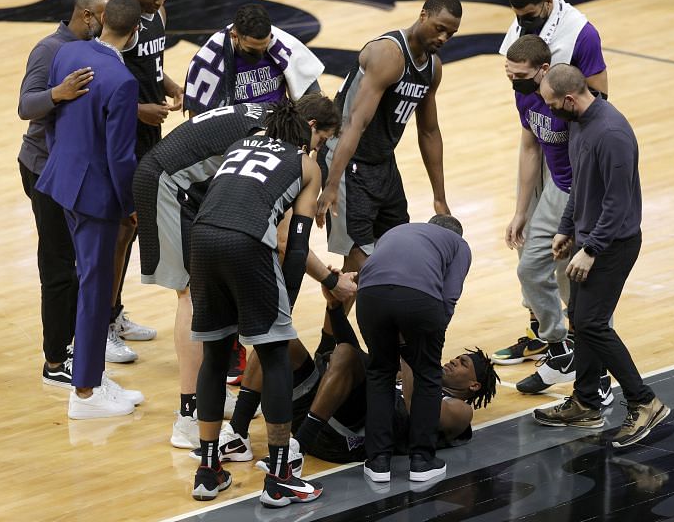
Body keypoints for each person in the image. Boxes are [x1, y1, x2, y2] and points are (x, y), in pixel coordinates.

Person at [132, 94, 355, 449]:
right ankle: (188, 416)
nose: (318, 150)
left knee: (213, 289)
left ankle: (209, 402)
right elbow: (285, 241)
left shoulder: (273, 119)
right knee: (192, 293)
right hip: (170, 184)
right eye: (322, 141)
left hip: (184, 184)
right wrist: (328, 280)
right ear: (311, 127)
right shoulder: (279, 143)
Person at [188, 102, 328, 506]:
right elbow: (296, 243)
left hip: (202, 238)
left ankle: (208, 470)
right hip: (246, 242)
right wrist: (285, 297)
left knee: (214, 356)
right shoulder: (306, 165)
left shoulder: (241, 143)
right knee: (274, 355)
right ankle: (281, 475)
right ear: (307, 135)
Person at [205, 284, 498, 474]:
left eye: (461, 364)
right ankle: (238, 435)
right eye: (456, 358)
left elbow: (418, 412)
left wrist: (409, 351)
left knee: (345, 353)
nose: (452, 362)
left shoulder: (461, 410)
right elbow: (355, 357)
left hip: (348, 439)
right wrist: (334, 308)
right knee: (277, 342)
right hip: (322, 413)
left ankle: (298, 450)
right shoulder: (410, 368)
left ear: (473, 386)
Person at [314, 0, 462, 355]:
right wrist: (330, 184)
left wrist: (439, 196)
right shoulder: (388, 55)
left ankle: (336, 347)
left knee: (395, 252)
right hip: (346, 162)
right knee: (366, 266)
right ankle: (335, 348)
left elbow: (429, 131)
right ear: (423, 15)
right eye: (439, 28)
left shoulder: (432, 68)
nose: (443, 37)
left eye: (451, 34)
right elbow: (354, 124)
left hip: (383, 164)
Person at [532, 64, 669, 448]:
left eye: (551, 102)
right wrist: (566, 228)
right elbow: (580, 182)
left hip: (614, 244)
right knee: (580, 318)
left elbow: (617, 200)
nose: (547, 108)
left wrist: (591, 249)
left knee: (592, 323)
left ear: (570, 99)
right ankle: (586, 401)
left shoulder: (611, 133)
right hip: (589, 238)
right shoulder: (577, 123)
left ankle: (645, 401)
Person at [36, 0, 145, 419]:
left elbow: (52, 116)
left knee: (89, 284)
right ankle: (84, 392)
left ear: (102, 21)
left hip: (62, 181)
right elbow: (121, 157)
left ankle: (93, 375)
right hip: (96, 197)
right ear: (134, 31)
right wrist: (130, 205)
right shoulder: (122, 81)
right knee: (96, 289)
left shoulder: (68, 52)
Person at [495, 0, 609, 368]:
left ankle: (581, 342)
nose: (522, 21)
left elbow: (601, 102)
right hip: (548, 156)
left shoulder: (580, 33)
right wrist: (519, 209)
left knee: (564, 263)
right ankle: (544, 336)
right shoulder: (525, 91)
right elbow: (528, 143)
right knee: (526, 249)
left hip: (575, 171)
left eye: (528, 16)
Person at [18, 0, 111, 389]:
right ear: (87, 15)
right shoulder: (49, 49)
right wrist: (58, 93)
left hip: (72, 173)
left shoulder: (92, 48)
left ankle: (70, 344)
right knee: (58, 269)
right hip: (44, 171)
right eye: (105, 15)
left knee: (76, 265)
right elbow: (25, 106)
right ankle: (54, 362)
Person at [99, 0, 185, 365]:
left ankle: (114, 312)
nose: (160, 0)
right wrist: (138, 110)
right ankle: (98, 326)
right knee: (119, 231)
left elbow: (152, 60)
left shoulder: (157, 12)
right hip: (122, 133)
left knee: (132, 229)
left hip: (150, 135)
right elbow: (98, 79)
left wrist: (169, 85)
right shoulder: (114, 17)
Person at [356, 215, 471, 483]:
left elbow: (375, 269)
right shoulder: (459, 245)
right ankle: (421, 460)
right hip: (418, 298)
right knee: (428, 374)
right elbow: (449, 296)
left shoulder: (397, 230)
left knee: (380, 372)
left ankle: (378, 462)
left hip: (369, 295)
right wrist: (426, 342)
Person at [184, 3, 324, 115]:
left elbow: (312, 95)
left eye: (265, 46)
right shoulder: (209, 59)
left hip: (280, 124)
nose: (261, 53)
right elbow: (196, 118)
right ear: (234, 36)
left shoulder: (282, 44)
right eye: (253, 50)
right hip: (235, 133)